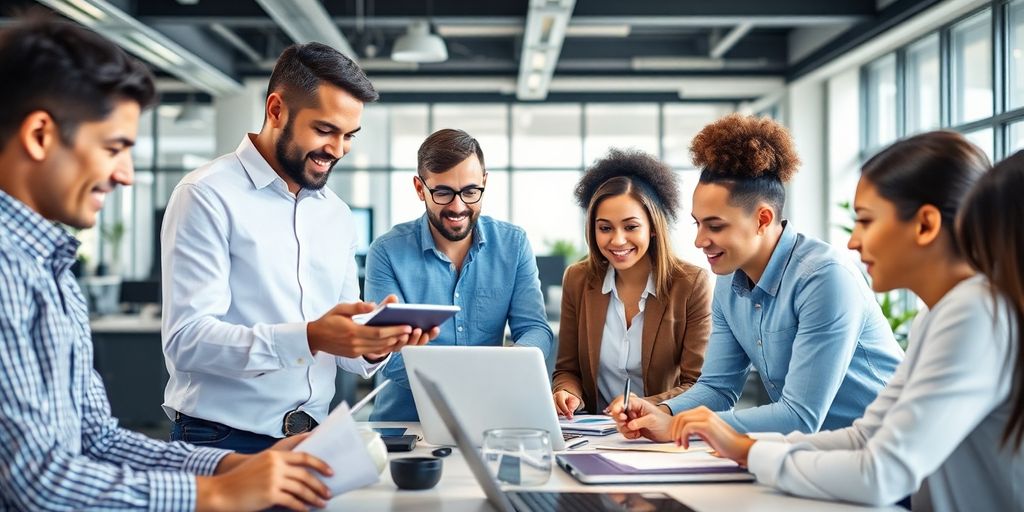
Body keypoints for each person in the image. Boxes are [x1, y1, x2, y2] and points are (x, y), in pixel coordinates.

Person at [0, 16, 336, 511]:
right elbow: (36, 482)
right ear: (41, 135)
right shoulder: (8, 271)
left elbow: (97, 441)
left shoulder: (50, 268)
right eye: (114, 148)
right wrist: (216, 493)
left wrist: (228, 466)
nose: (126, 175)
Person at [661, 131, 1023, 511]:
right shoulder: (937, 315)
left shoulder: (972, 314)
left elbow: (879, 473)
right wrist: (744, 448)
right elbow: (867, 435)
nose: (853, 241)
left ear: (925, 225)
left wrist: (751, 453)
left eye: (865, 221)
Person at [161, 42, 437, 452]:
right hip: (220, 440)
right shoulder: (206, 194)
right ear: (276, 110)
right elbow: (187, 341)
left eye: (349, 136)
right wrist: (309, 337)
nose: (338, 149)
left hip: (311, 440)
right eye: (325, 130)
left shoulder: (336, 214)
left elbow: (348, 358)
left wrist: (376, 342)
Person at [611, 114, 903, 438]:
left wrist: (680, 426)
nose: (699, 240)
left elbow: (799, 417)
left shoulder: (824, 279)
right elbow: (717, 389)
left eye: (716, 226)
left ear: (762, 219)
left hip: (886, 457)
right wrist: (661, 411)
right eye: (698, 224)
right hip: (816, 456)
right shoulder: (728, 282)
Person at [365, 128, 553, 420]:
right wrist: (477, 381)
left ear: (484, 183)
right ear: (419, 188)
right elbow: (389, 352)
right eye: (442, 193)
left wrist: (513, 366)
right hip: (407, 423)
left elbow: (535, 330)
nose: (458, 206)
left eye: (470, 191)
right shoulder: (387, 252)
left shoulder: (513, 245)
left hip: (491, 419)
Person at [551, 149, 712, 418]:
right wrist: (568, 393)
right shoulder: (577, 280)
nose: (617, 240)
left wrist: (646, 406)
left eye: (630, 227)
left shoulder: (690, 284)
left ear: (652, 226)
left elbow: (698, 385)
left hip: (661, 431)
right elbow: (568, 370)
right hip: (593, 433)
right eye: (605, 228)